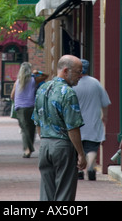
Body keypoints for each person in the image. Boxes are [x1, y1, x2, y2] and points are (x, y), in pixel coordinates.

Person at [32, 55, 87, 201]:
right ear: (65, 70)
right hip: (63, 146)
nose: (80, 76)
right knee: (64, 192)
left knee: (47, 192)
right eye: (77, 72)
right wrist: (81, 153)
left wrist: (45, 140)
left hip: (45, 145)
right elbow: (73, 127)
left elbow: (37, 121)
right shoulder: (68, 93)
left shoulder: (42, 89)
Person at [73, 59, 111, 181]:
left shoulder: (73, 84)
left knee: (78, 148)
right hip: (93, 121)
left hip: (76, 123)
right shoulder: (95, 83)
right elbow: (105, 102)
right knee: (92, 148)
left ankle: (79, 170)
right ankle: (90, 166)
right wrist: (105, 116)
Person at [10, 62, 48, 158]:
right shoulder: (33, 80)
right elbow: (46, 76)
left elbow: (12, 96)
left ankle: (27, 149)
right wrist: (38, 72)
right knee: (30, 129)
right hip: (31, 106)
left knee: (24, 129)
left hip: (20, 108)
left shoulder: (17, 82)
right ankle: (28, 149)